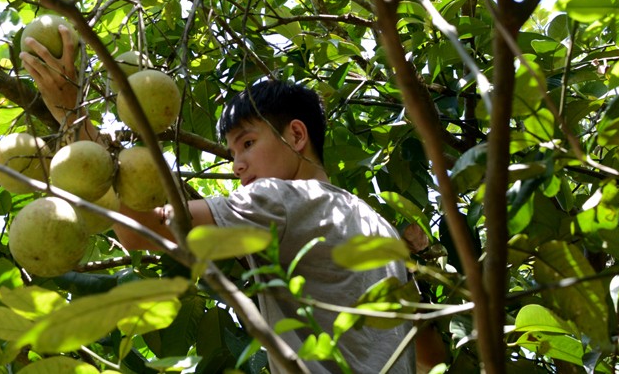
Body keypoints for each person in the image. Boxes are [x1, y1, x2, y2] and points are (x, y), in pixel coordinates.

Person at [21, 27, 417, 373]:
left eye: (248, 144)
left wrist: (71, 112)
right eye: (232, 154)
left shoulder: (280, 198)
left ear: (296, 136)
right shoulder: (372, 223)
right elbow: (429, 350)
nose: (238, 166)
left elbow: (141, 230)